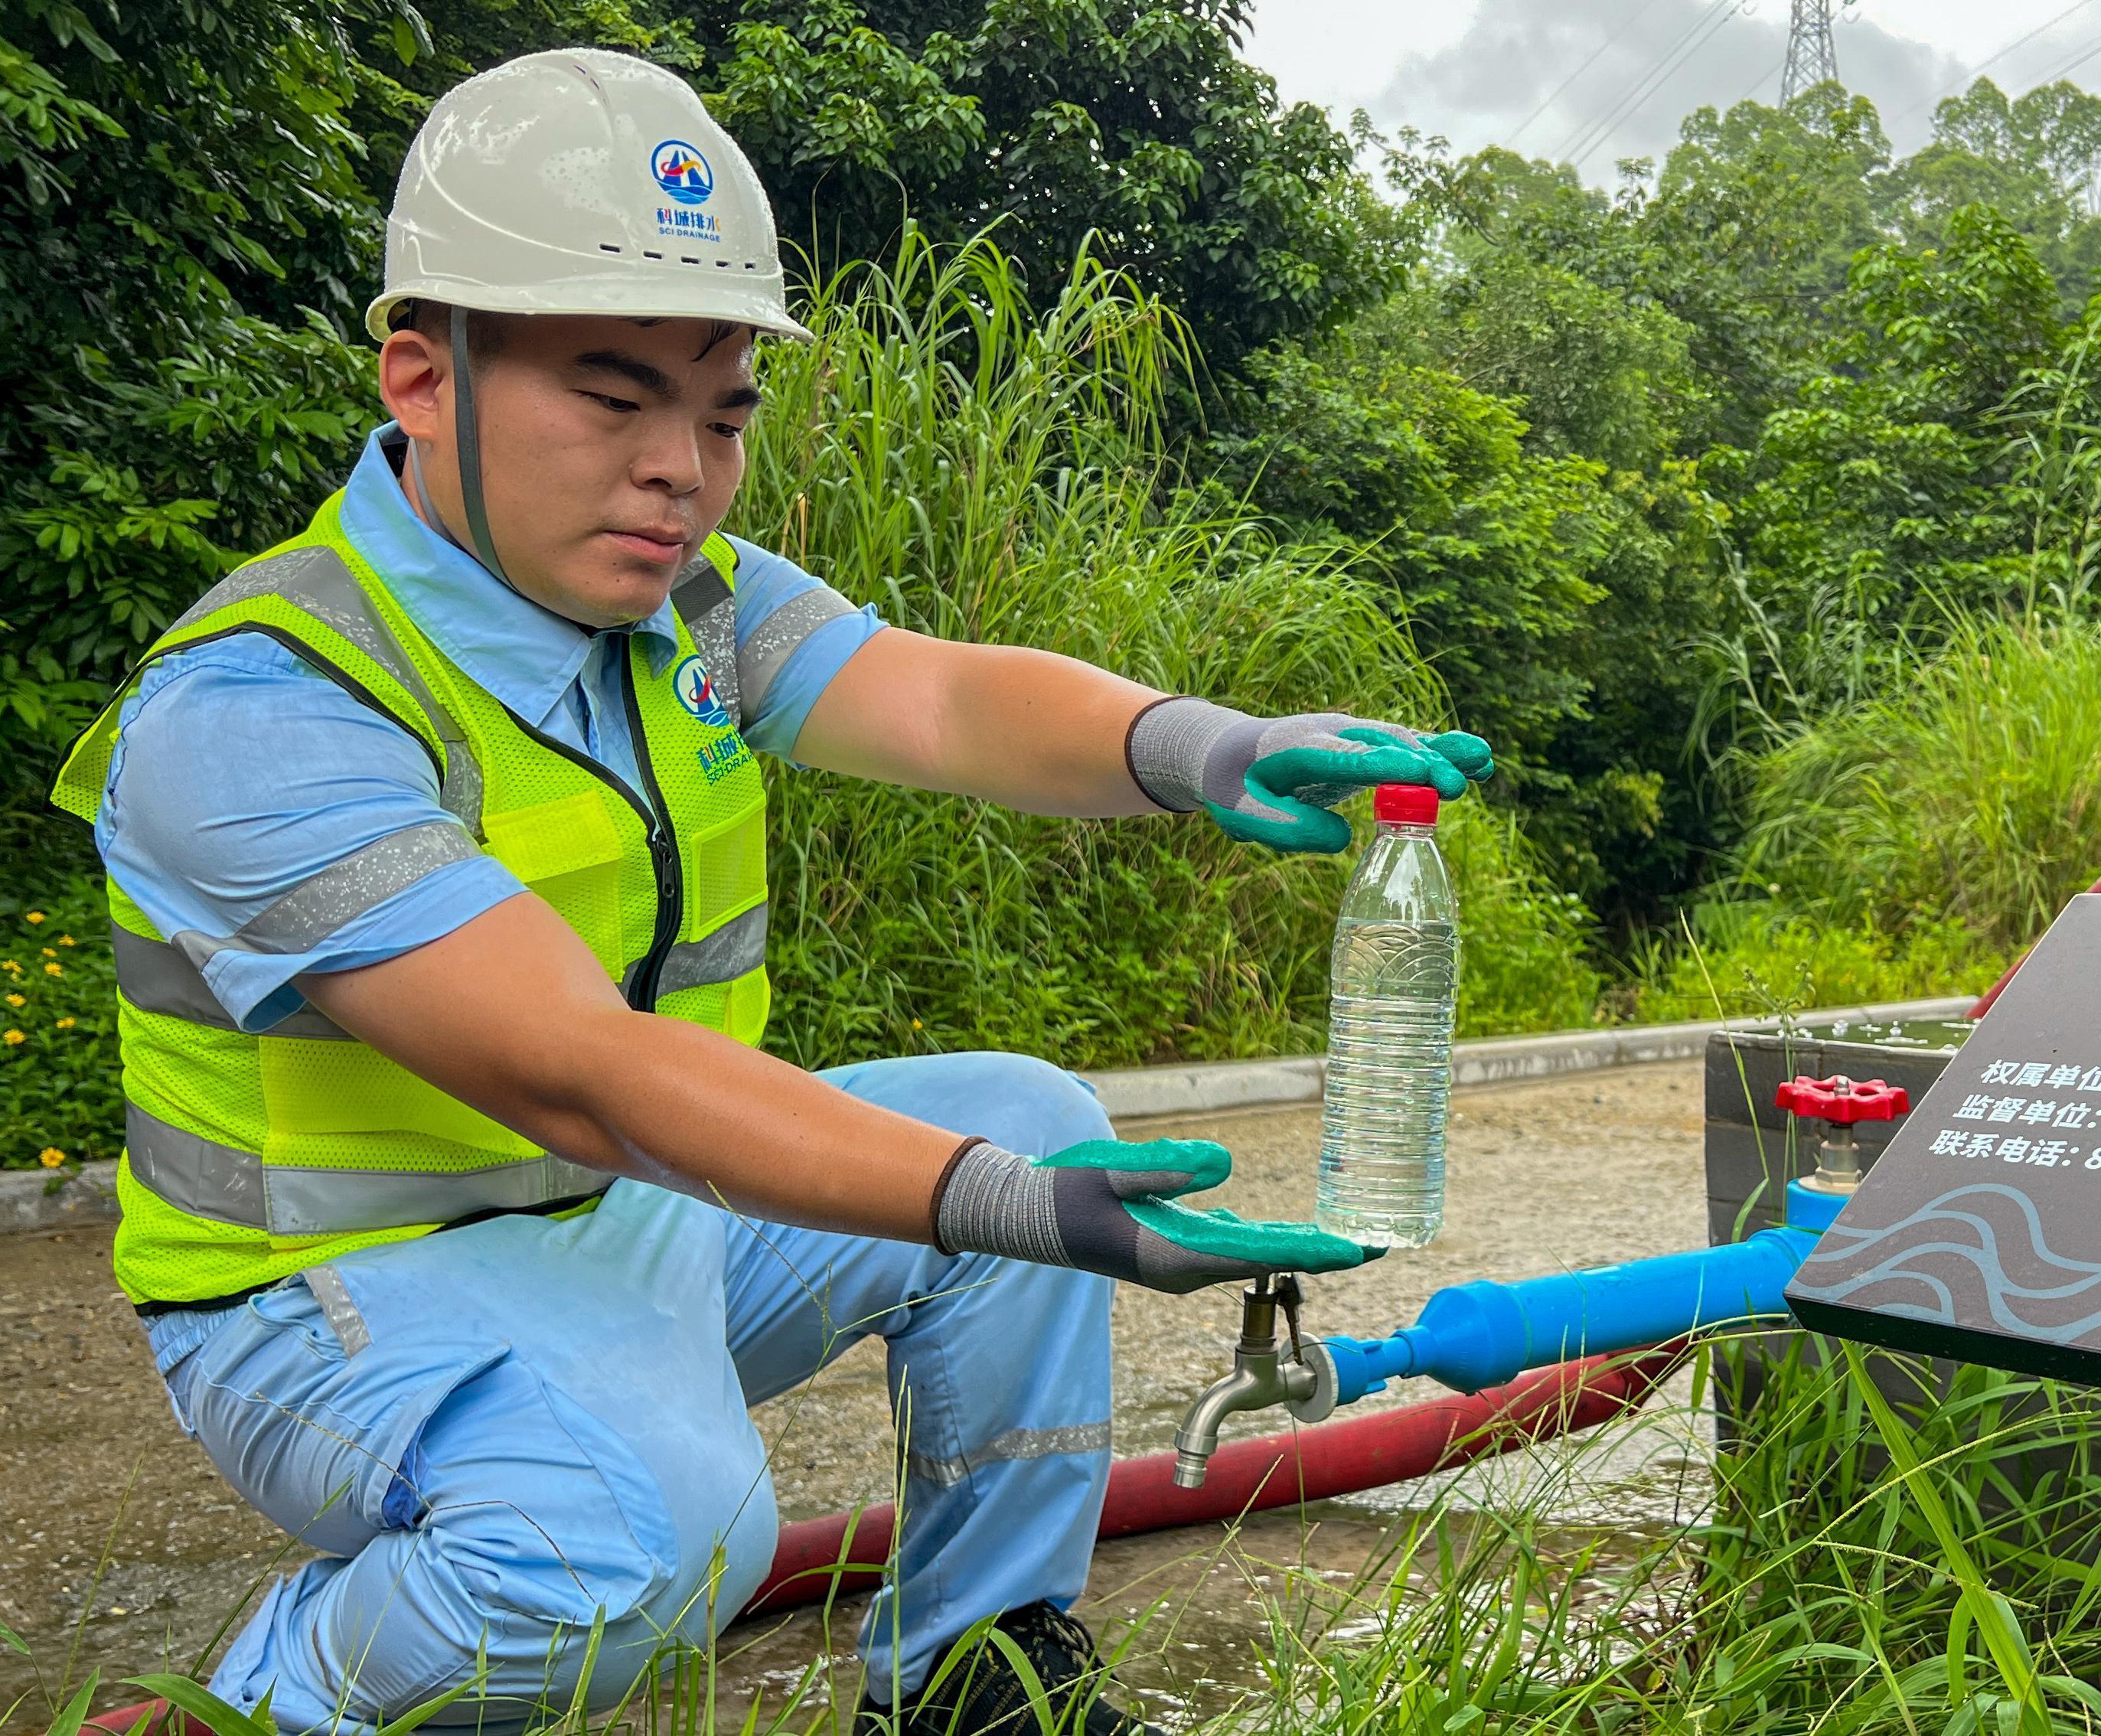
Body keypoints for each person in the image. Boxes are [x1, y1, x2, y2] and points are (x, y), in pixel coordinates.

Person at [51, 47, 1492, 1736]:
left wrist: (1212, 747)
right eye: (612, 398)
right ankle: (257, 1708)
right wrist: (1006, 1206)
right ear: (421, 378)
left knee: (1024, 1120)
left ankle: (978, 1671)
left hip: (628, 1222)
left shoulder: (691, 608)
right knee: (654, 1544)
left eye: (722, 412)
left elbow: (941, 694)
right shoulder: (264, 706)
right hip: (341, 1302)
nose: (682, 468)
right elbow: (577, 1068)